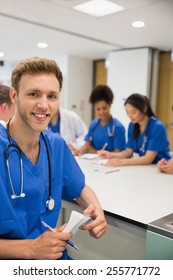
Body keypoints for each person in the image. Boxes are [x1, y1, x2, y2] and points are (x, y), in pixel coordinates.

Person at [0, 57, 107, 260]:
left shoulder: (55, 145)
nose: (43, 105)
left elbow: (79, 187)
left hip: (52, 259)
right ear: (14, 95)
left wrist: (96, 208)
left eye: (52, 96)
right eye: (33, 94)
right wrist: (31, 249)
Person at [98, 93, 171, 166]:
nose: (130, 116)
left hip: (162, 166)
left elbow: (148, 159)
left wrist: (121, 162)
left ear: (144, 109)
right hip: (145, 167)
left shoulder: (157, 127)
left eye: (133, 112)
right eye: (127, 112)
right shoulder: (132, 125)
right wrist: (110, 155)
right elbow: (128, 152)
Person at [76, 85, 126, 155]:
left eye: (104, 108)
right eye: (98, 109)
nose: (101, 112)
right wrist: (80, 151)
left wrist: (95, 152)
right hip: (93, 162)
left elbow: (118, 153)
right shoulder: (93, 124)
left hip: (110, 163)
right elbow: (87, 144)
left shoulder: (118, 127)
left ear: (110, 105)